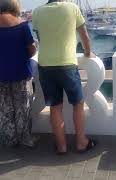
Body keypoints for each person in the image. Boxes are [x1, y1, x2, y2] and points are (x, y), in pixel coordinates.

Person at [32, 0, 96, 154]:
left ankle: (61, 146)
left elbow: (41, 39)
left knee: (55, 107)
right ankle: (81, 142)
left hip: (46, 65)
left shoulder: (37, 12)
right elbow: (85, 37)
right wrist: (88, 53)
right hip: (67, 64)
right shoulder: (73, 8)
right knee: (78, 104)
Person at [0, 0, 38, 148]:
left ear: (0, 7)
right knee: (22, 107)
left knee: (3, 107)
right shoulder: (22, 25)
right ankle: (25, 139)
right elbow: (31, 50)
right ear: (16, 7)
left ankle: (9, 139)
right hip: (20, 71)